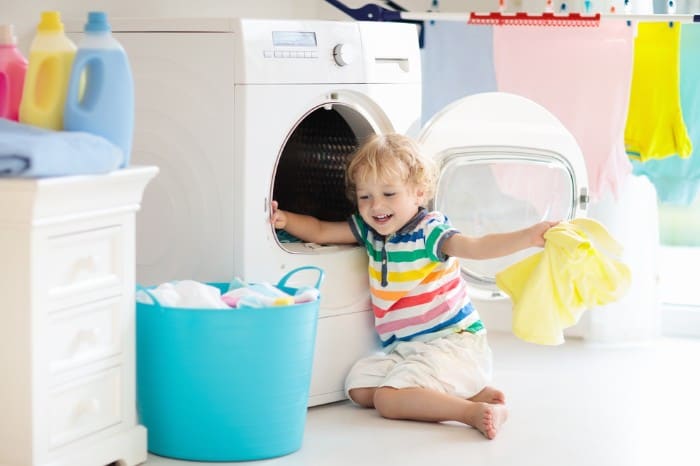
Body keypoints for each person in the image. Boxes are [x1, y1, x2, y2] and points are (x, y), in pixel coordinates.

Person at [270, 133, 556, 440]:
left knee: (387, 400)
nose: (376, 205)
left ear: (418, 193)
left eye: (389, 194)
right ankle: (473, 392)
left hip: (454, 344)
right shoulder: (371, 232)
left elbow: (476, 246)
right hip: (407, 348)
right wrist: (284, 219)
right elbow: (321, 230)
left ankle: (470, 412)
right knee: (358, 387)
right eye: (365, 196)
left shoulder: (429, 231)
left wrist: (528, 236)